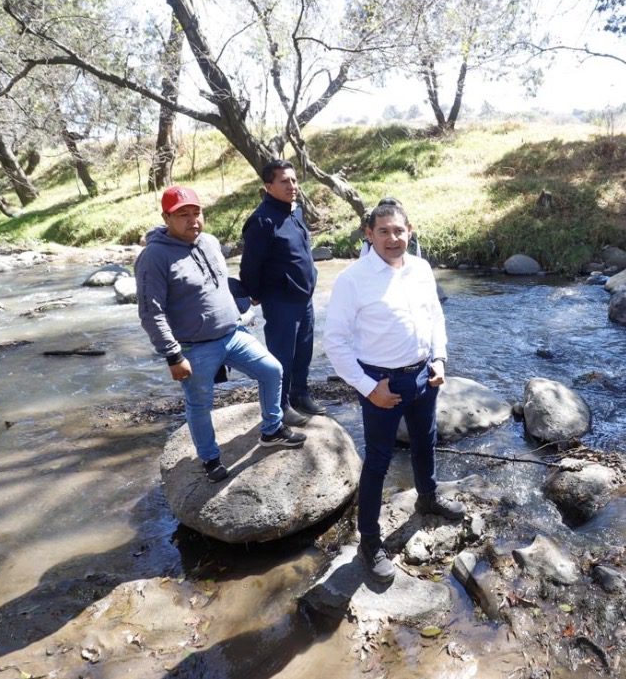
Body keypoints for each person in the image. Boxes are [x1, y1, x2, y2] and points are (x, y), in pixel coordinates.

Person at [324, 200, 464, 583]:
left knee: (425, 441)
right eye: (383, 231)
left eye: (398, 230)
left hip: (423, 374)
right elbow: (335, 342)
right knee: (378, 461)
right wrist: (370, 389)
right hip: (381, 383)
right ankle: (369, 540)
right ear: (369, 234)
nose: (392, 238)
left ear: (409, 231)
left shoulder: (421, 268)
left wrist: (439, 358)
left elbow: (434, 316)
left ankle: (427, 497)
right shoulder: (352, 280)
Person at [136, 185, 306, 483]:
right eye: (183, 215)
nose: (192, 220)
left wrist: (247, 297)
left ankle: (271, 430)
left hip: (233, 333)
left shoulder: (210, 242)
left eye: (196, 212)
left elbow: (219, 284)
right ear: (166, 218)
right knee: (200, 403)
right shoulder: (154, 257)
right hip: (193, 347)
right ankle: (210, 458)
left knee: (272, 370)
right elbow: (151, 312)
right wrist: (173, 356)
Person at [240, 159, 325, 428]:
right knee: (282, 356)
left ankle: (300, 393)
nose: (292, 186)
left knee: (303, 351)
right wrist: (254, 293)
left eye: (294, 180)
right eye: (284, 181)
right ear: (269, 186)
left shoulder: (295, 212)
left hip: (304, 297)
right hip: (280, 300)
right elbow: (249, 265)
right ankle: (281, 405)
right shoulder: (261, 221)